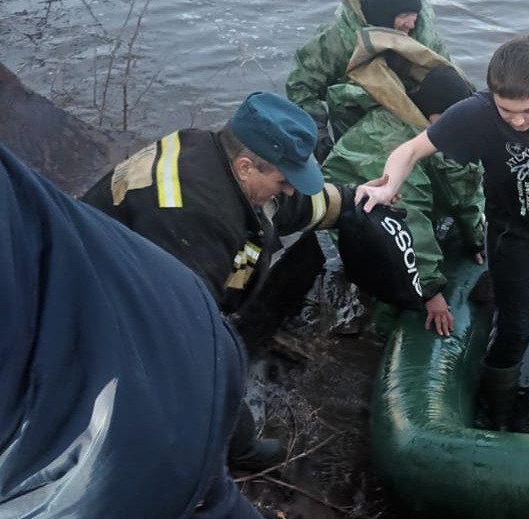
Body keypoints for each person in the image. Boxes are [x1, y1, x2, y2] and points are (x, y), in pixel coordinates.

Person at [0, 141, 323, 519]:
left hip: (121, 403)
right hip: (177, 308)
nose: (285, 189)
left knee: (184, 478)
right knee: (207, 500)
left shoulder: (219, 191)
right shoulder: (197, 197)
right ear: (244, 166)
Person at [80, 91, 422, 470]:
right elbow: (191, 341)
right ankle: (225, 450)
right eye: (282, 180)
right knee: (202, 359)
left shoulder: (212, 154)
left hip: (144, 259)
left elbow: (291, 205)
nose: (289, 188)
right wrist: (238, 431)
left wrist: (353, 201)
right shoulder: (197, 220)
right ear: (246, 166)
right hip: (98, 297)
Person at [356, 35, 529, 429]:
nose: (518, 121)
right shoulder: (478, 113)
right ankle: (499, 413)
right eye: (507, 110)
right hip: (515, 233)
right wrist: (386, 185)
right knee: (513, 330)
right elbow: (410, 150)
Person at [320, 37, 487, 338]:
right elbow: (408, 219)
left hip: (345, 195)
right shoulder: (404, 155)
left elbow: (465, 192)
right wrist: (432, 292)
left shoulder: (406, 112)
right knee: (391, 272)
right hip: (357, 207)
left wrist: (474, 240)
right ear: (438, 115)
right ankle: (381, 326)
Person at [286, 0, 456, 155]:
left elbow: (448, 77)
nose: (411, 24)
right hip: (355, 132)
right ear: (383, 13)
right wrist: (318, 133)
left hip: (411, 126)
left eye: (414, 14)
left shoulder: (424, 37)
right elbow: (300, 84)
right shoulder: (340, 40)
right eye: (403, 15)